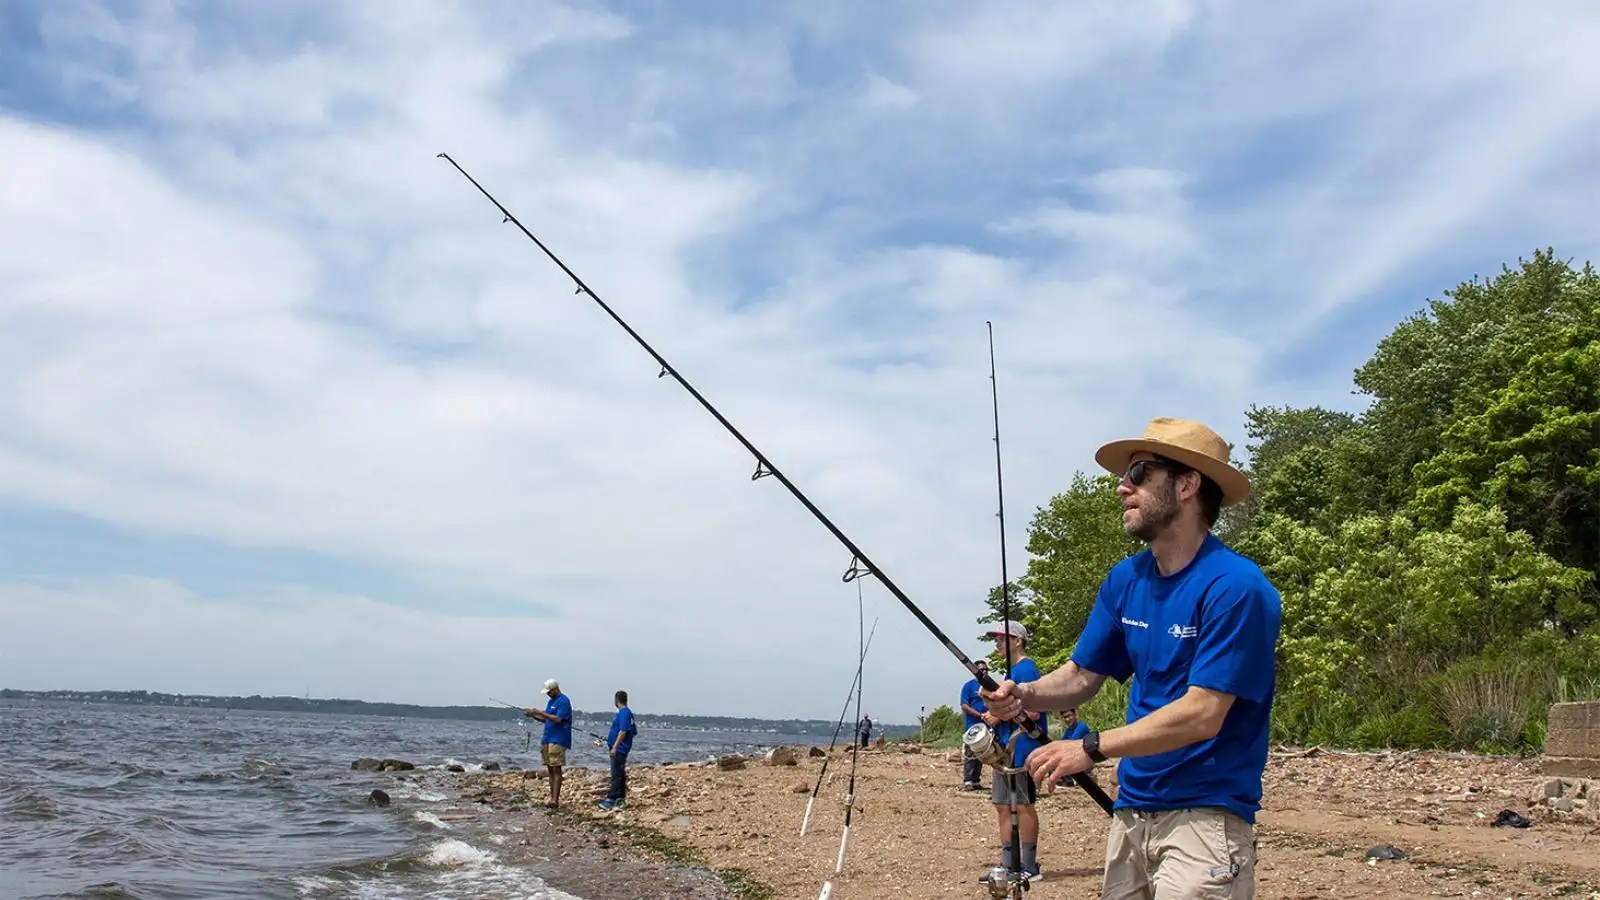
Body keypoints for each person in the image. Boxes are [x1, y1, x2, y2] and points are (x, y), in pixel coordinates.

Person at [983, 417, 1282, 899]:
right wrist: (1024, 692)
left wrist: (1091, 747)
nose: (1123, 487)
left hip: (1206, 817)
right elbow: (1082, 675)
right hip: (1131, 811)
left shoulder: (1237, 587)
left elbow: (1203, 713)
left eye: (1140, 473)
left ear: (1187, 484)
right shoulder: (1127, 579)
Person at [979, 620, 1047, 885]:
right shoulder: (1011, 672)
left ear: (1017, 641)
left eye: (1002, 638)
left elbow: (1033, 711)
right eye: (995, 639)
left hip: (1022, 747)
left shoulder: (1027, 669)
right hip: (1006, 749)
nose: (997, 643)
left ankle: (1029, 865)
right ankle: (1008, 864)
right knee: (1002, 805)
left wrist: (997, 717)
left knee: (1023, 804)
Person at [523, 678, 572, 808]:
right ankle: (552, 798)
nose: (548, 694)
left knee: (556, 769)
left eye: (549, 692)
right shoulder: (551, 702)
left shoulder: (563, 701)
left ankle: (555, 800)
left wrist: (540, 712)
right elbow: (546, 720)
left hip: (558, 739)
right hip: (547, 738)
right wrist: (533, 715)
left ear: (555, 689)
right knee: (550, 769)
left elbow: (557, 719)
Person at [600, 689, 636, 811]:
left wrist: (615, 746)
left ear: (616, 700)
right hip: (621, 747)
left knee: (616, 774)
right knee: (620, 773)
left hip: (620, 749)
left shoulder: (624, 713)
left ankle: (611, 799)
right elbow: (633, 732)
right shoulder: (627, 713)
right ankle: (621, 798)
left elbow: (623, 731)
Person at [959, 658, 990, 790]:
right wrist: (979, 715)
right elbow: (964, 705)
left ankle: (976, 780)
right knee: (971, 752)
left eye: (986, 670)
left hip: (988, 725)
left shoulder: (990, 686)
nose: (984, 672)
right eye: (981, 670)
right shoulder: (968, 686)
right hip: (973, 724)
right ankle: (969, 780)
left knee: (982, 753)